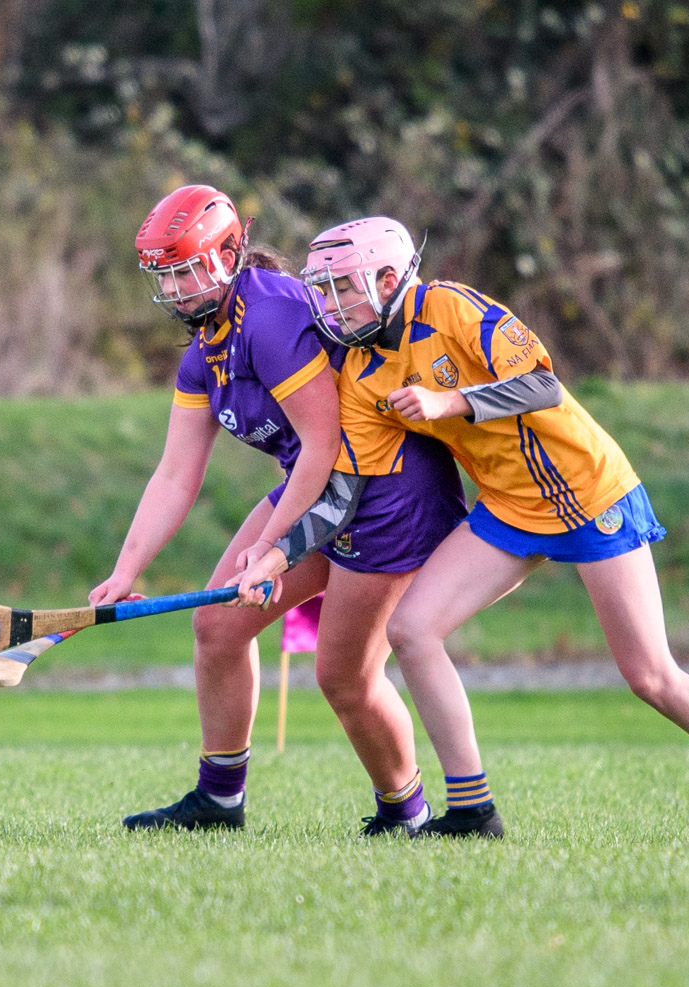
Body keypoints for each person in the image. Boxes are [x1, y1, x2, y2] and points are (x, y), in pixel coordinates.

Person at [234, 215, 689, 842]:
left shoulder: (451, 306)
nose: (328, 305)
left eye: (341, 288)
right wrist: (277, 554)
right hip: (509, 508)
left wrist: (451, 401)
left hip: (588, 492)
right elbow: (343, 492)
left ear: (387, 277)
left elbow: (542, 384)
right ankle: (472, 812)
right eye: (321, 289)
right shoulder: (361, 369)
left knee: (649, 675)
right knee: (412, 630)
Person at [92, 187, 468, 835]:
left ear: (230, 253)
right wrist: (126, 570)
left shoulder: (267, 317)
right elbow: (175, 474)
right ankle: (219, 799)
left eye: (188, 269)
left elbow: (325, 444)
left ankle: (405, 814)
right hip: (316, 488)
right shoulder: (202, 352)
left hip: (386, 491)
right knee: (217, 625)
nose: (178, 288)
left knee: (343, 675)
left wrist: (270, 549)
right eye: (166, 274)